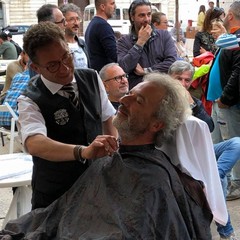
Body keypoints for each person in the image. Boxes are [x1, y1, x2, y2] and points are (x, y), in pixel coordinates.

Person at [1, 73, 214, 239]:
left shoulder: (153, 181)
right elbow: (61, 213)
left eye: (138, 100)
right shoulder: (109, 160)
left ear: (157, 124)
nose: (124, 100)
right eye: (129, 92)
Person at [18, 21, 117, 210]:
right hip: (55, 194)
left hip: (96, 186)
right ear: (36, 68)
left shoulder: (92, 78)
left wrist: (113, 150)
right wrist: (82, 151)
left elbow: (107, 119)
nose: (64, 68)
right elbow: (35, 143)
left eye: (66, 57)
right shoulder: (30, 99)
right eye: (53, 65)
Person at [169, 60, 239, 240]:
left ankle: (216, 173)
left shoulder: (191, 99)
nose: (183, 84)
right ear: (170, 78)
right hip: (181, 155)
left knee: (236, 143)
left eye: (187, 80)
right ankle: (226, 231)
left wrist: (193, 105)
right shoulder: (163, 99)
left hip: (202, 151)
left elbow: (209, 127)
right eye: (179, 79)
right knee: (217, 181)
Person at [206, 1, 240, 201]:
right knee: (219, 143)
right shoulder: (230, 39)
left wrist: (226, 98)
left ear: (230, 16)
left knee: (233, 142)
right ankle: (221, 180)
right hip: (219, 102)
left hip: (228, 104)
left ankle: (236, 183)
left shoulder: (235, 40)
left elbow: (238, 73)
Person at [117, 0, 177, 89]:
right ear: (132, 17)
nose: (146, 19)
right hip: (137, 93)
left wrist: (147, 71)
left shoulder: (164, 36)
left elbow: (171, 63)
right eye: (141, 15)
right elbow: (123, 68)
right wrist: (139, 43)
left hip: (162, 89)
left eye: (149, 14)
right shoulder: (124, 41)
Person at [85, 0, 117, 72]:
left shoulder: (92, 24)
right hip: (104, 76)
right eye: (112, 4)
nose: (115, 7)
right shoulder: (103, 26)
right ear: (103, 7)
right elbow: (115, 55)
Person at [59, 3, 90, 69]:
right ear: (63, 22)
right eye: (71, 19)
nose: (76, 23)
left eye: (78, 19)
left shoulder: (82, 43)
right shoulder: (59, 44)